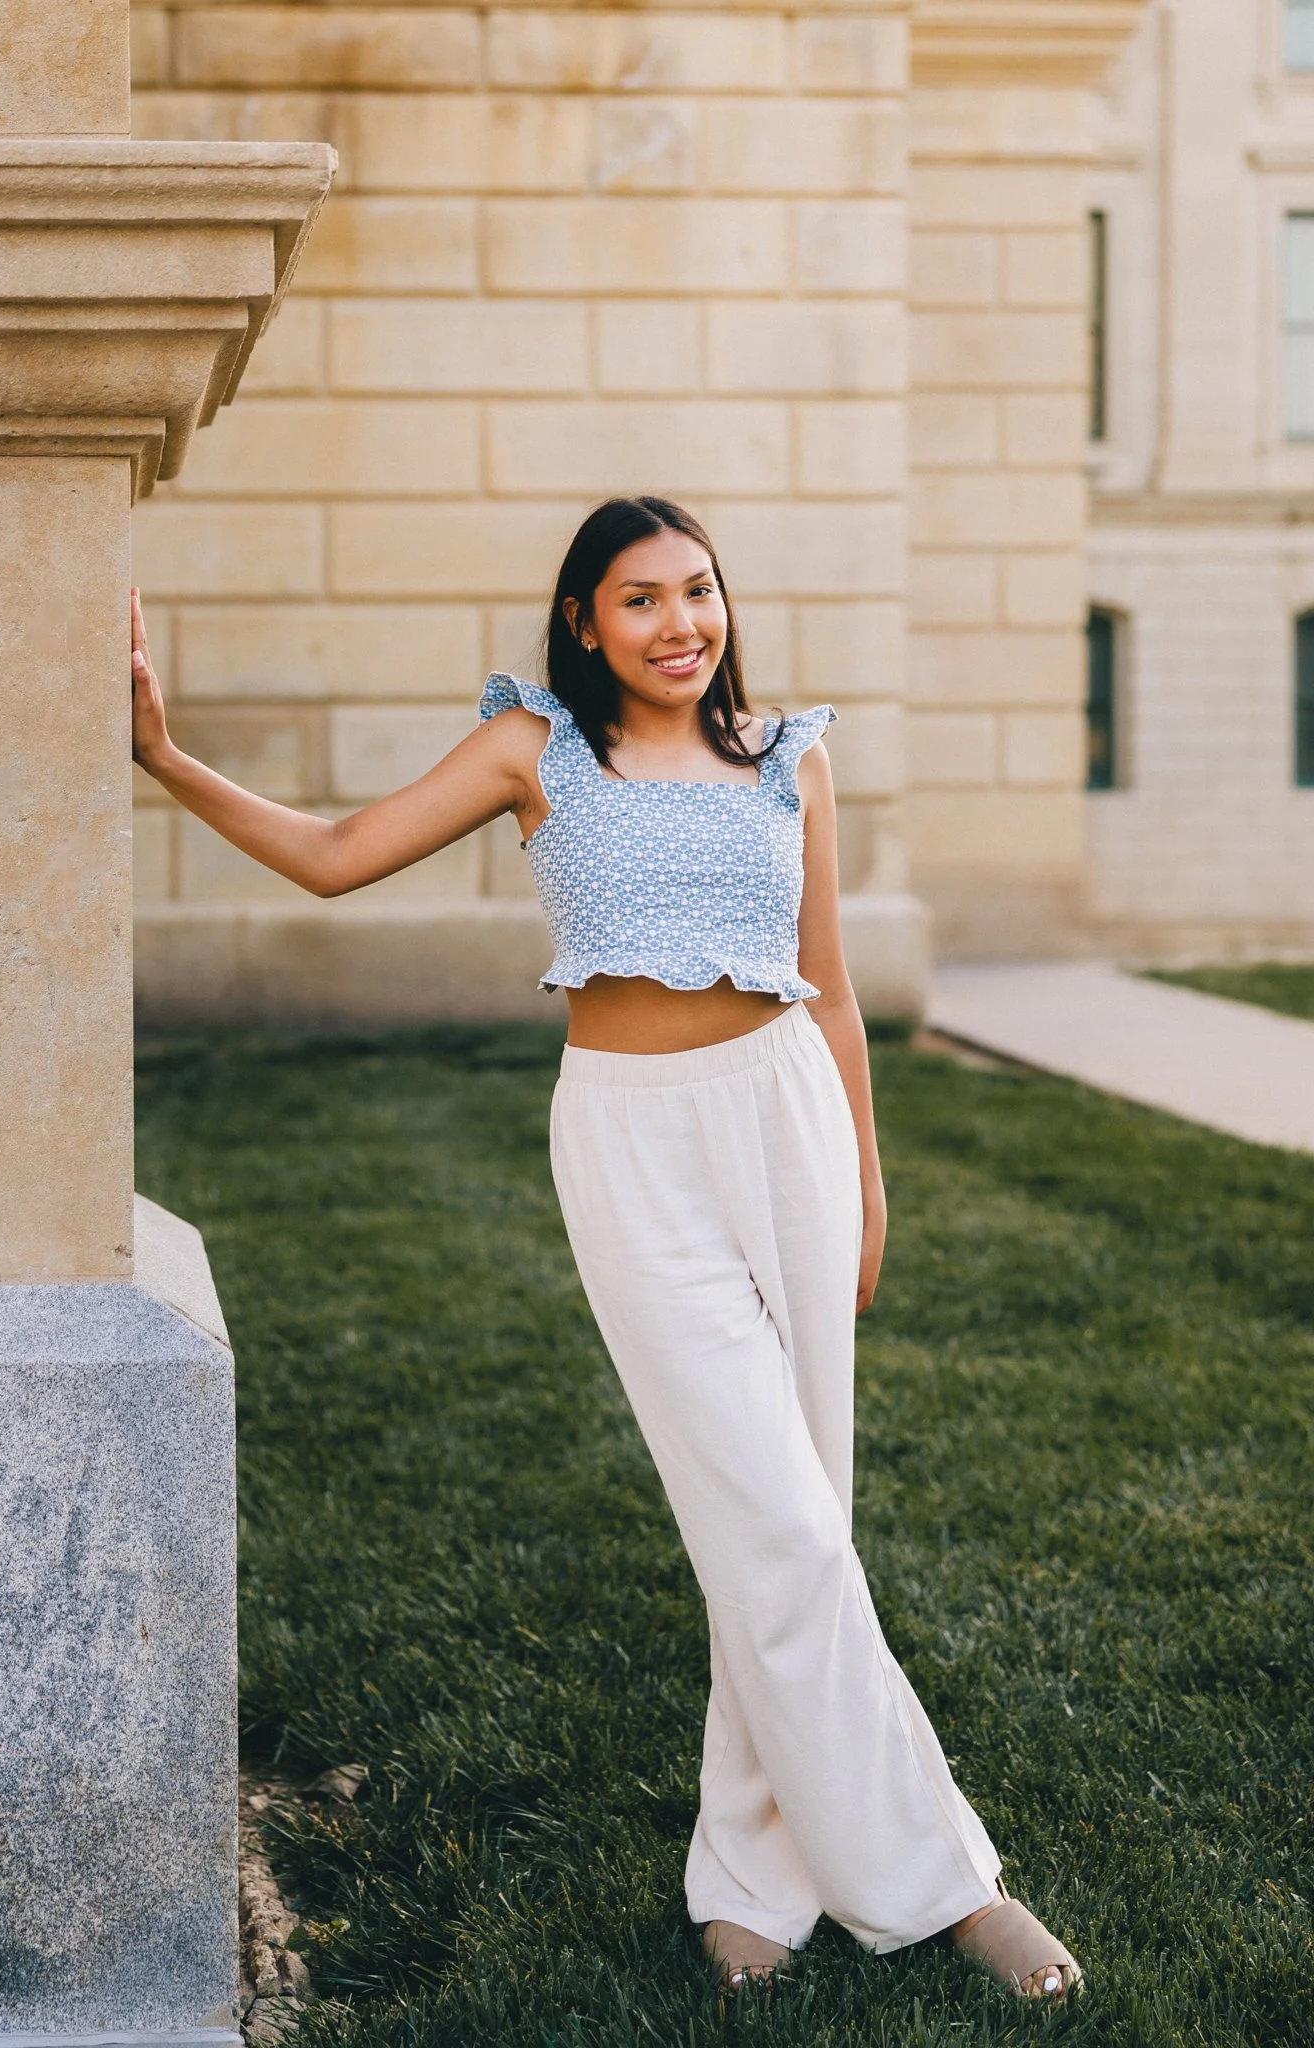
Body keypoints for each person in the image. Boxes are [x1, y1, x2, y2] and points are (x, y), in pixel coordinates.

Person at [130, 495, 1081, 2001]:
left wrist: (868, 1177)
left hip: (789, 1121)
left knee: (792, 1517)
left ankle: (751, 1874)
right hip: (634, 1145)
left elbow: (830, 988)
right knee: (775, 1523)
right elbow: (334, 854)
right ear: (584, 622)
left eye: (697, 590)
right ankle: (950, 1890)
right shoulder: (536, 751)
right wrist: (165, 758)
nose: (678, 623)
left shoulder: (789, 758)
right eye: (639, 599)